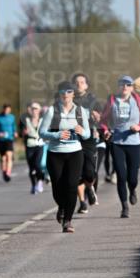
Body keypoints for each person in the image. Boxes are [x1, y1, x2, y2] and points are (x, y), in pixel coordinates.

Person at [39, 81, 90, 233]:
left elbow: (87, 134)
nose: (66, 94)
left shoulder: (80, 111)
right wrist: (57, 134)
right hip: (55, 153)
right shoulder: (51, 111)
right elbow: (41, 132)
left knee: (72, 186)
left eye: (69, 91)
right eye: (63, 92)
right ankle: (61, 206)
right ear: (59, 94)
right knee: (57, 186)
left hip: (75, 153)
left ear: (73, 94)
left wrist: (82, 131)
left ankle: (67, 220)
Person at [99, 75, 140, 218]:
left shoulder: (139, 101)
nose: (125, 87)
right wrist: (105, 130)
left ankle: (133, 189)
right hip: (117, 143)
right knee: (121, 176)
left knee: (132, 178)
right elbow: (103, 120)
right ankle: (124, 207)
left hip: (134, 143)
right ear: (119, 86)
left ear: (132, 87)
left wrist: (139, 126)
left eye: (128, 85)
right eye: (122, 84)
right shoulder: (111, 101)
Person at [72, 72, 103, 213]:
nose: (79, 84)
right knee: (77, 172)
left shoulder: (93, 100)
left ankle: (90, 187)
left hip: (88, 138)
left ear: (87, 85)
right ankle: (82, 202)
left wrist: (97, 117)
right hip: (73, 138)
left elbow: (101, 117)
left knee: (89, 172)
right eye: (77, 82)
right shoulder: (68, 99)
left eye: (82, 82)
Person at [19, 102, 45, 195]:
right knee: (31, 168)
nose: (34, 110)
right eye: (32, 108)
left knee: (37, 165)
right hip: (29, 145)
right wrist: (23, 133)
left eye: (36, 108)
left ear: (39, 110)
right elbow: (19, 133)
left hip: (39, 145)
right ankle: (33, 185)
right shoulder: (25, 120)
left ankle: (40, 181)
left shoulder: (43, 120)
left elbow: (47, 131)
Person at [0, 104, 17, 182]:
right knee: (3, 158)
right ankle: (4, 171)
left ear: (10, 110)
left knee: (9, 155)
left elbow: (13, 126)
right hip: (1, 140)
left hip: (9, 139)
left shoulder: (12, 117)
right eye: (5, 110)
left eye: (8, 110)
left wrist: (15, 132)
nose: (7, 111)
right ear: (3, 109)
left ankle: (8, 173)